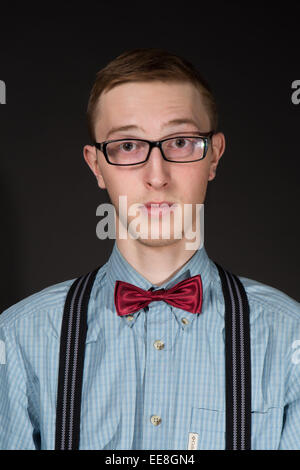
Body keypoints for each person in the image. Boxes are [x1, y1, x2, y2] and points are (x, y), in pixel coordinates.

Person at [0, 48, 300, 451]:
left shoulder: (290, 336)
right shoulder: (18, 338)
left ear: (214, 155)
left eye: (180, 141)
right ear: (96, 165)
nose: (156, 176)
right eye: (127, 146)